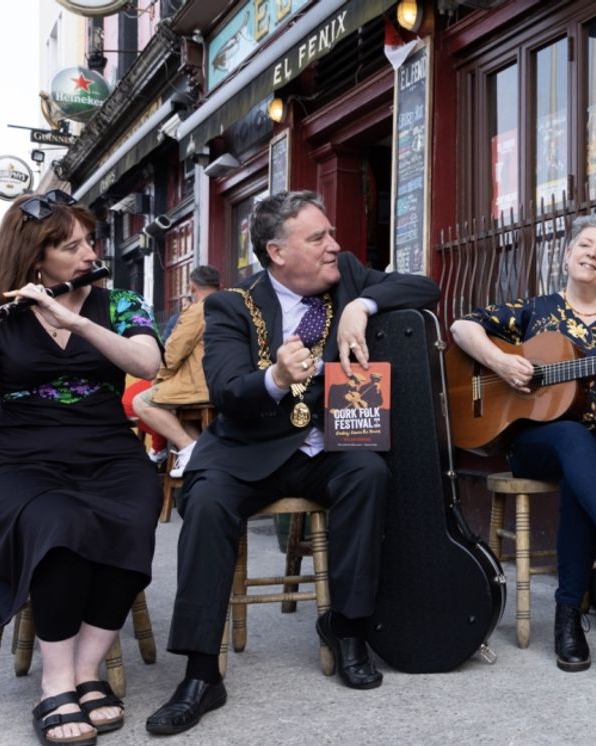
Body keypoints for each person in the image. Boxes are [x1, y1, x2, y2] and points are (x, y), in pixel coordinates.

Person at [147, 191, 439, 735]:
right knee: (204, 501)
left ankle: (348, 629)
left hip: (326, 448)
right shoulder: (231, 305)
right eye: (318, 238)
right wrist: (277, 378)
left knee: (368, 473)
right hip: (248, 449)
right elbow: (229, 391)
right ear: (278, 252)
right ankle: (201, 672)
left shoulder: (347, 276)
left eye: (330, 234)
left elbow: (425, 287)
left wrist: (363, 305)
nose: (335, 245)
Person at [0, 189, 164, 744]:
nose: (88, 253)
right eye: (71, 246)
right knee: (58, 522)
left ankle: (88, 671)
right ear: (35, 256)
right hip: (18, 460)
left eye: (88, 241)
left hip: (107, 451)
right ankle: (56, 685)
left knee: (135, 508)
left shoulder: (119, 304)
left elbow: (150, 362)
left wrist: (73, 320)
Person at [450, 214, 596, 673]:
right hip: (535, 443)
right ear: (567, 254)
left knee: (582, 469)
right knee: (571, 437)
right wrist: (503, 363)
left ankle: (568, 617)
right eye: (585, 245)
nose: (592, 253)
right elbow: (460, 327)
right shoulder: (535, 310)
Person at [130, 265, 221, 478]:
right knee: (177, 410)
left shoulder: (199, 309)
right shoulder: (236, 304)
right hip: (228, 382)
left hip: (200, 386)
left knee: (141, 401)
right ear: (220, 285)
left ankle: (190, 449)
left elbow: (173, 352)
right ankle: (201, 455)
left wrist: (158, 379)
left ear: (192, 287)